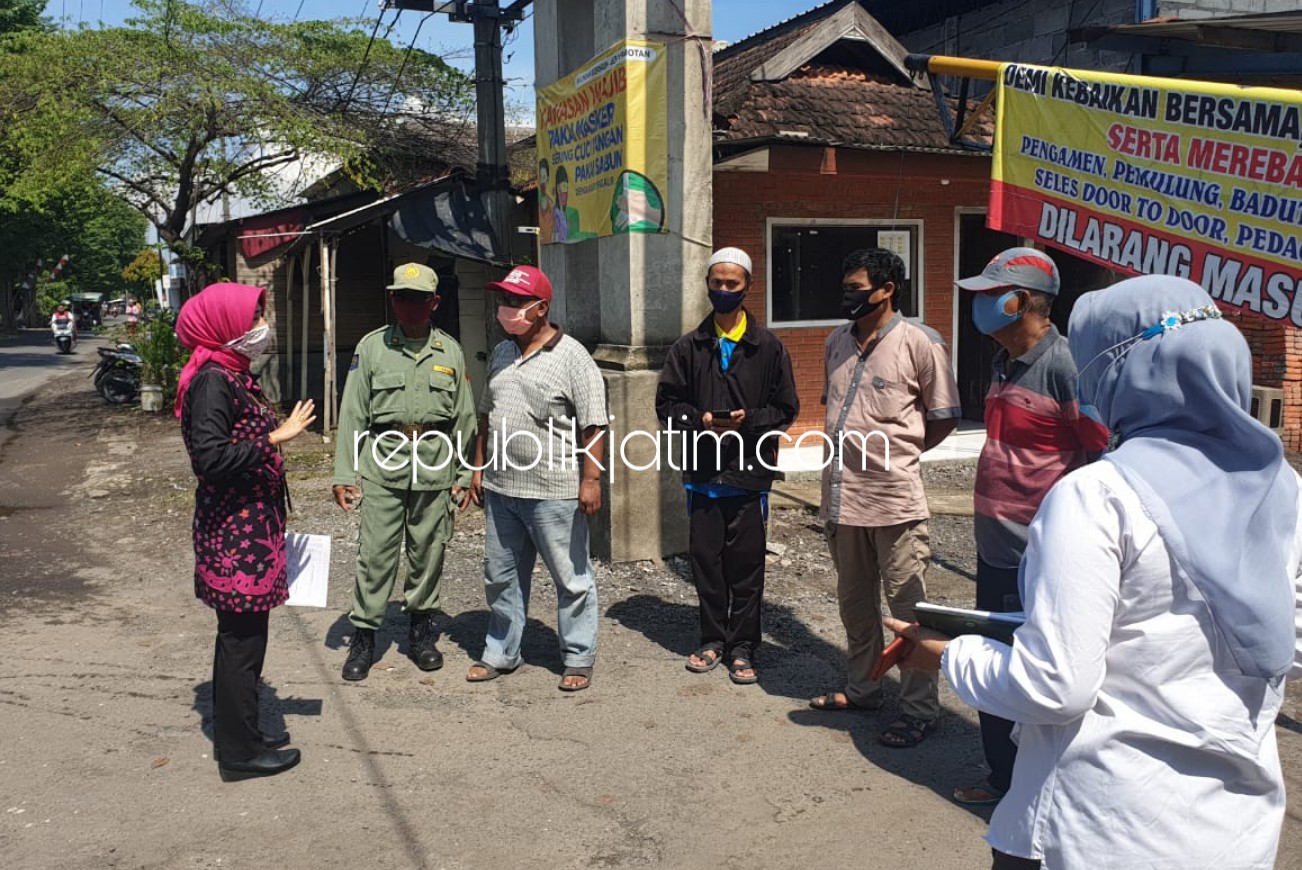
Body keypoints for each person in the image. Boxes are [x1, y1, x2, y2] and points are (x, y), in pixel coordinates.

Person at [887, 274, 1302, 869]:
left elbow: (1053, 685)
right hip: (1235, 830)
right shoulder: (1282, 487)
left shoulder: (1097, 496)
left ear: (1119, 372)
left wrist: (948, 655)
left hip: (1100, 825)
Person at [950, 247, 1110, 805]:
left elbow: (1100, 455)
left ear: (1021, 302)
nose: (979, 303)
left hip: (1042, 553)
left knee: (1044, 674)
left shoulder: (1066, 367)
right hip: (994, 545)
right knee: (996, 658)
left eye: (993, 294)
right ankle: (1004, 778)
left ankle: (1048, 790)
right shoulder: (1001, 362)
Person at [808, 248, 961, 749]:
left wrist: (900, 453)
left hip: (894, 500)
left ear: (888, 289)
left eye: (857, 287)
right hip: (841, 499)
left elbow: (942, 416)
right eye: (846, 287)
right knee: (855, 605)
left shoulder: (919, 343)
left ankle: (918, 709)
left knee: (909, 611)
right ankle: (864, 688)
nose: (848, 296)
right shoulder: (836, 341)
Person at [175, 282, 316, 782]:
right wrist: (276, 438)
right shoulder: (213, 380)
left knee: (244, 638)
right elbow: (209, 457)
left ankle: (247, 732)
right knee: (240, 641)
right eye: (252, 317)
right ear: (223, 326)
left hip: (248, 527)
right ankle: (238, 753)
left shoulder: (231, 374)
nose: (260, 325)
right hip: (235, 533)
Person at [655, 247, 798, 684]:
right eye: (716, 283)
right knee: (706, 564)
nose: (722, 290)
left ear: (747, 287)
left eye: (731, 284)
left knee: (747, 567)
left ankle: (743, 646)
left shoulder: (768, 348)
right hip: (702, 476)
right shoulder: (688, 346)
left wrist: (747, 421)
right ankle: (712, 639)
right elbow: (666, 403)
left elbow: (786, 407)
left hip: (749, 477)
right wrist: (696, 419)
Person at [332, 263, 477, 682]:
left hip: (435, 464)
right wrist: (345, 473)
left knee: (428, 554)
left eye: (416, 298)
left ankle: (421, 633)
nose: (407, 305)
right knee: (375, 556)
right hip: (383, 464)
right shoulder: (372, 348)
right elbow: (353, 412)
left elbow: (464, 418)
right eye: (400, 297)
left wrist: (464, 474)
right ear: (391, 299)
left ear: (434, 302)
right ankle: (364, 637)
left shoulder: (450, 350)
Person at [466, 265, 607, 692]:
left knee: (570, 577)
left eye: (514, 302)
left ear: (541, 307)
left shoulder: (573, 357)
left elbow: (594, 425)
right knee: (501, 575)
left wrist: (591, 480)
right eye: (503, 301)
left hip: (555, 490)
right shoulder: (503, 352)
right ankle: (501, 652)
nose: (505, 309)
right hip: (502, 487)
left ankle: (579, 657)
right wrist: (477, 466)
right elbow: (486, 415)